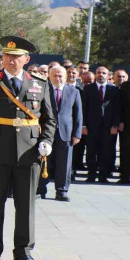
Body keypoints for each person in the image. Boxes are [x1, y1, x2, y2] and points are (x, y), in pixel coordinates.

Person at [0, 36, 56, 260]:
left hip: (29, 154)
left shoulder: (40, 82)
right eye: (7, 57)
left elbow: (49, 118)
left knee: (26, 206)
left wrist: (47, 140)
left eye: (16, 57)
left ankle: (24, 252)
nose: (10, 61)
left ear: (26, 60)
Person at [38, 65, 81, 201]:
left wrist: (77, 134)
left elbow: (78, 114)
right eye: (55, 75)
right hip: (46, 132)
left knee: (64, 164)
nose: (58, 78)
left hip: (66, 133)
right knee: (44, 162)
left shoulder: (73, 91)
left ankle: (61, 191)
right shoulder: (43, 90)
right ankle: (40, 190)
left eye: (60, 75)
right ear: (49, 76)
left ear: (65, 76)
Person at [81, 66, 120, 183]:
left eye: (104, 73)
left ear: (108, 76)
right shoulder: (88, 89)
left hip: (107, 126)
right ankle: (91, 174)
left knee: (105, 151)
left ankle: (103, 175)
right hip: (91, 126)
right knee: (91, 151)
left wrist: (115, 125)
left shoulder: (114, 90)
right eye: (98, 72)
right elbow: (83, 108)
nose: (101, 75)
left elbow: (118, 109)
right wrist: (83, 125)